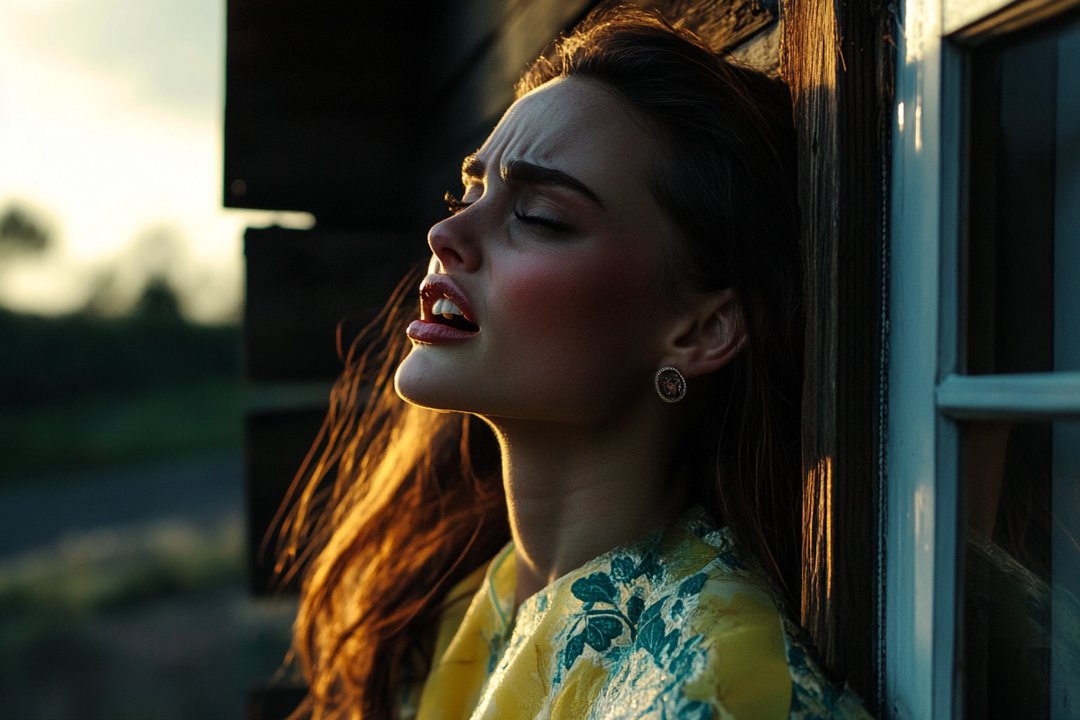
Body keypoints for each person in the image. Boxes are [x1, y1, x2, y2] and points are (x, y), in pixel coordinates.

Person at [277, 5, 870, 719]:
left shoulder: (718, 684)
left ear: (703, 329)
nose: (446, 233)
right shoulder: (453, 604)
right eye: (469, 192)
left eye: (540, 217)